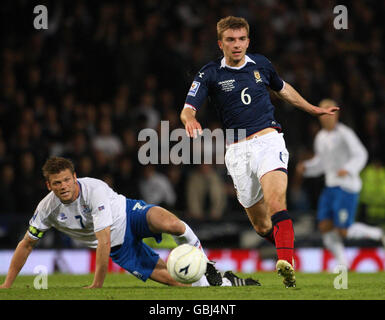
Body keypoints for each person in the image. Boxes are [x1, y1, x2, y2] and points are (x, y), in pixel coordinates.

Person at [180, 16, 339, 288]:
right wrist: (189, 120)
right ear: (221, 43)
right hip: (237, 152)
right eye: (230, 40)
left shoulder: (261, 64)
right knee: (263, 226)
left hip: (269, 140)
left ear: (248, 40)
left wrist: (312, 108)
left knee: (277, 201)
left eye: (242, 39)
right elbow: (188, 108)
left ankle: (287, 266)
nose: (237, 44)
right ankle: (286, 246)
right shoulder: (209, 73)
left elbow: (283, 89)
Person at [0, 157, 259, 289]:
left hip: (127, 213)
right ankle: (225, 283)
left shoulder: (94, 190)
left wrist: (97, 284)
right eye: (57, 183)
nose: (63, 186)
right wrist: (8, 284)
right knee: (177, 280)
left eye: (67, 180)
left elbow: (101, 238)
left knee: (173, 224)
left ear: (74, 177)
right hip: (117, 246)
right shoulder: (46, 208)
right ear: (49, 185)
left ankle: (208, 263)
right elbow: (26, 245)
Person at [296, 99, 385, 268]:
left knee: (343, 230)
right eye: (323, 112)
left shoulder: (345, 133)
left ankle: (377, 233)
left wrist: (349, 169)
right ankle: (342, 262)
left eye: (330, 112)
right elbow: (321, 163)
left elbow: (361, 154)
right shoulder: (321, 138)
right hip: (330, 187)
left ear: (336, 114)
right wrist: (306, 168)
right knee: (324, 226)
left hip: (346, 187)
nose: (326, 116)